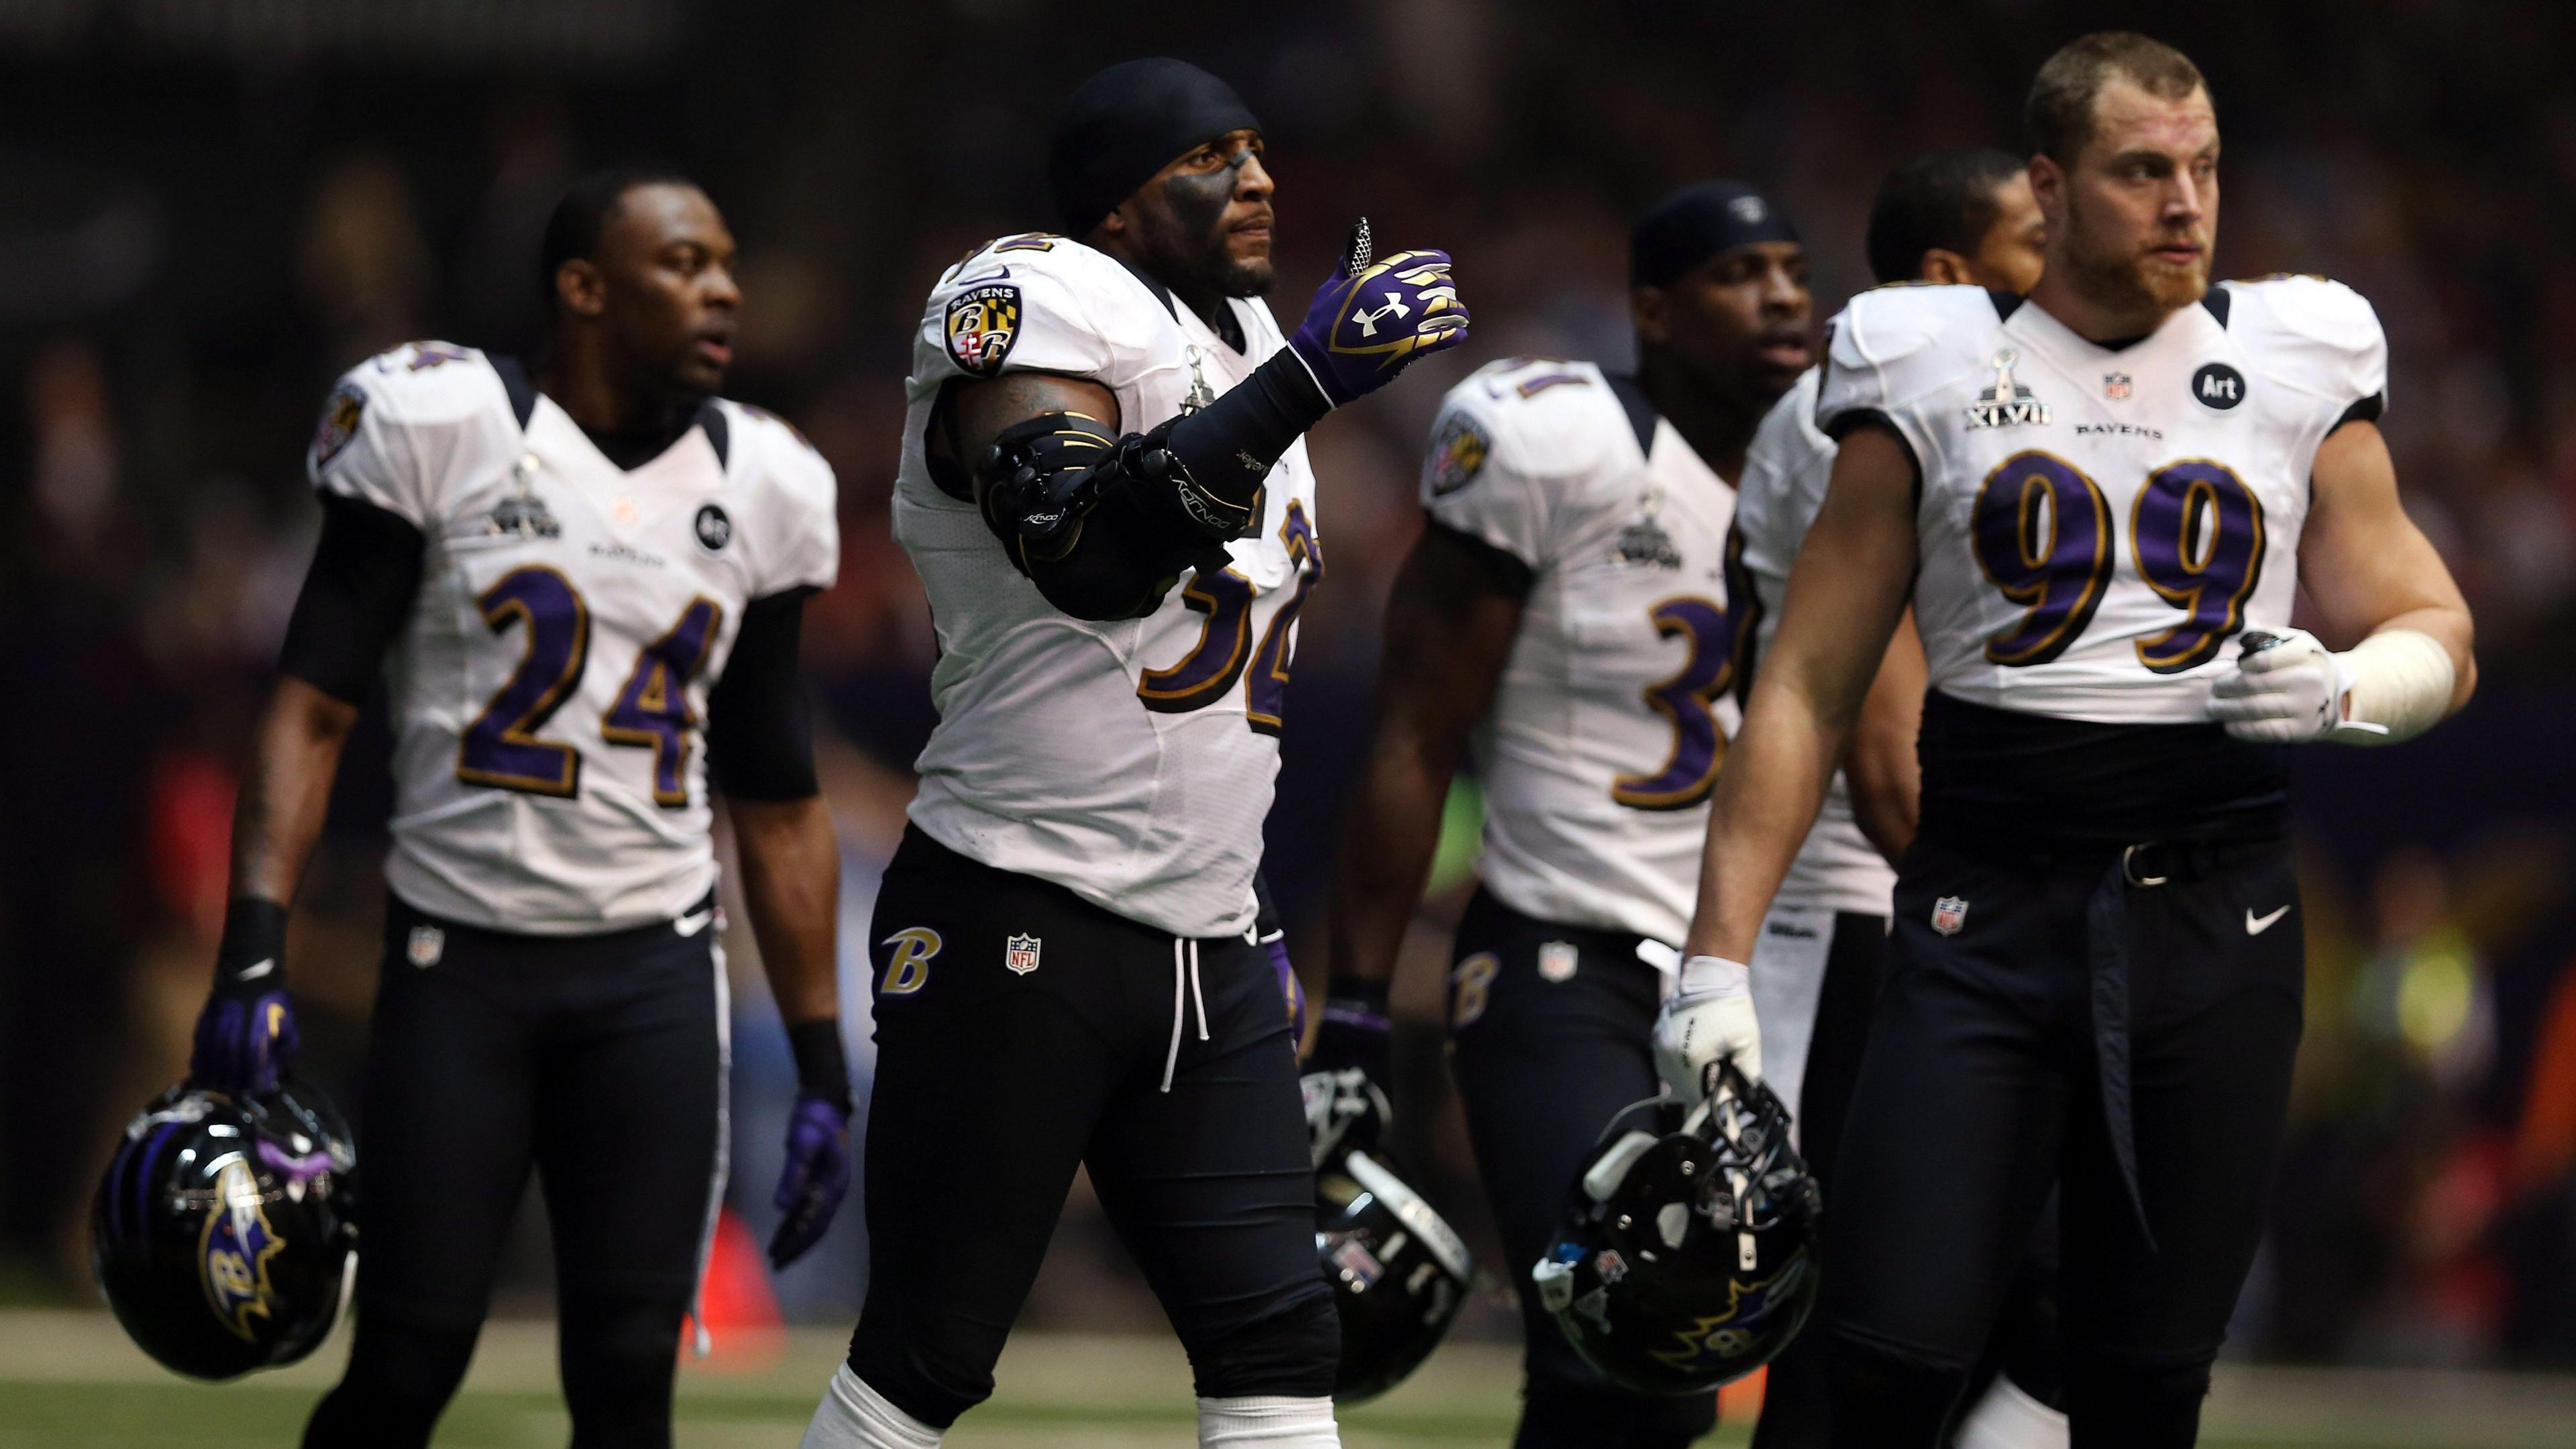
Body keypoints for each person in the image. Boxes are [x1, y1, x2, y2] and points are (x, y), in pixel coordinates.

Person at [1666, 32, 2477, 1448]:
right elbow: (1802, 685)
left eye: (2205, 168)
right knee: (1888, 1346)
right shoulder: (1921, 362)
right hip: (1983, 908)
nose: (2186, 203)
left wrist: (2352, 687)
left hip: (2218, 911)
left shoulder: (2295, 353)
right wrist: (1711, 961)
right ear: (2049, 187)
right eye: (2143, 170)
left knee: (2145, 1376)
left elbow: (2436, 621)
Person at [801, 59, 1467, 1449]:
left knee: (1281, 1346)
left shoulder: (1243, 344)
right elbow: (1087, 551)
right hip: (1019, 903)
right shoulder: (1034, 290)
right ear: (1117, 198)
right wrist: (1307, 380)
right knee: (929, 1355)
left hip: (1207, 942)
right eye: (1212, 156)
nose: (1261, 180)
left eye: (1264, 152)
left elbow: (1212, 698)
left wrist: (1253, 908)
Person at [186, 170, 852, 1449]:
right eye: (683, 262)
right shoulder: (441, 421)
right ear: (584, 288)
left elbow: (776, 800)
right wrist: (254, 946)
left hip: (654, 976)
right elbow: (311, 708)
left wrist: (823, 1059)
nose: (724, 288)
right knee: (407, 1361)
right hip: (462, 963)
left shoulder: (767, 480)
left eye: (727, 261)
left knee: (627, 1379)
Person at [1313, 181, 1807, 1449]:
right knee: (1626, 1353)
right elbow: (1417, 730)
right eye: (1741, 273)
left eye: (1795, 270)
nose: (1785, 296)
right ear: (1651, 309)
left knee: (1720, 1373)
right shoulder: (1558, 441)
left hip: (1760, 969)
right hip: (1564, 951)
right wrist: (1357, 1013)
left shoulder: (1836, 465)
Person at [1733, 148, 2064, 1449]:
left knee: (2039, 1307)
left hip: (1938, 913)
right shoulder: (1864, 407)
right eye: (2035, 242)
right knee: (1875, 1335)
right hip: (1870, 923)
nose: (2069, 260)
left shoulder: (1999, 396)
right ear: (1948, 275)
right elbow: (1884, 761)